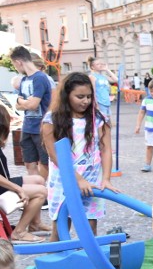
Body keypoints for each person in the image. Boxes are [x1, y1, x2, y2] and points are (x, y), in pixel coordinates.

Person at [42, 72, 116, 243]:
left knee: (90, 229)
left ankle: (88, 266)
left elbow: (106, 150)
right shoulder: (52, 120)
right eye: (80, 96)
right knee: (60, 229)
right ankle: (54, 267)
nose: (86, 101)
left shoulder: (98, 119)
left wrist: (106, 178)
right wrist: (78, 180)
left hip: (91, 181)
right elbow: (55, 156)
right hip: (64, 180)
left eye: (89, 96)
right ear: (66, 95)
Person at [0, 108, 50, 242]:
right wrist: (18, 189)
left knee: (39, 179)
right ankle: (19, 232)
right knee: (41, 192)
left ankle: (35, 223)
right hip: (1, 186)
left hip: (4, 181)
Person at [10, 46, 53, 180]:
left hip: (41, 128)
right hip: (27, 126)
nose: (16, 68)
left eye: (14, 65)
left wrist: (22, 102)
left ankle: (44, 191)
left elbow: (34, 104)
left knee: (44, 163)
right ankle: (37, 188)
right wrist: (22, 101)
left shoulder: (40, 78)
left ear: (18, 62)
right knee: (29, 163)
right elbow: (17, 105)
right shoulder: (24, 80)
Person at [88, 57, 118, 123]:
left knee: (109, 124)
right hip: (100, 102)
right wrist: (96, 104)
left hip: (107, 102)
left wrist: (107, 70)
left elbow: (116, 80)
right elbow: (93, 91)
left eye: (101, 63)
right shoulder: (92, 76)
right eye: (98, 64)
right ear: (92, 67)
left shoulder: (103, 76)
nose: (100, 65)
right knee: (102, 124)